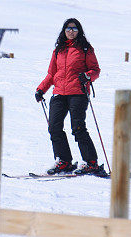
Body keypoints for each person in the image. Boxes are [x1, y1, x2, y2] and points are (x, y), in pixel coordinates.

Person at [35, 18, 104, 175]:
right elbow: (52, 74)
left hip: (78, 93)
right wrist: (41, 89)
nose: (71, 31)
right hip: (59, 93)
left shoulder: (85, 48)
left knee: (78, 128)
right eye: (68, 28)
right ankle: (64, 161)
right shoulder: (58, 50)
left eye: (74, 28)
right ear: (64, 31)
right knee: (54, 127)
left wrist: (87, 76)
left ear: (79, 31)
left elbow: (95, 70)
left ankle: (91, 162)